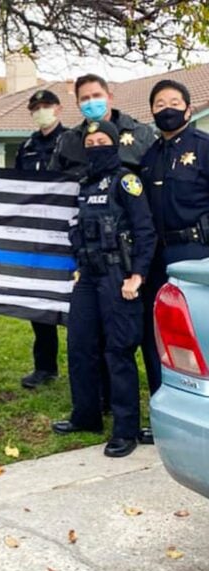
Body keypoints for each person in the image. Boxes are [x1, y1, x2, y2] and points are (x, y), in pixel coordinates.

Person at [52, 121, 156, 458]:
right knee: (79, 345)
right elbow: (81, 232)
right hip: (89, 276)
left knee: (118, 351)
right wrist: (80, 269)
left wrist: (137, 276)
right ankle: (86, 416)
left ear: (114, 145)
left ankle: (125, 430)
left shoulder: (126, 181)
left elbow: (145, 232)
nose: (96, 145)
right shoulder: (85, 185)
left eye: (102, 141)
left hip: (118, 276)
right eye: (91, 141)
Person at [139, 79, 209, 424]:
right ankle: (163, 405)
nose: (167, 108)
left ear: (188, 107)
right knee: (158, 333)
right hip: (156, 257)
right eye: (159, 103)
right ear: (151, 111)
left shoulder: (204, 147)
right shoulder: (149, 156)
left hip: (196, 252)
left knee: (200, 329)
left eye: (173, 101)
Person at [15, 89, 68, 389]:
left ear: (58, 109)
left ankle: (84, 364)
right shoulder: (26, 147)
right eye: (36, 108)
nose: (41, 111)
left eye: (46, 106)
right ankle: (45, 367)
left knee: (76, 301)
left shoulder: (73, 141)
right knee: (39, 301)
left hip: (66, 233)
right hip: (35, 235)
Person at [50, 73, 156, 177]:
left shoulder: (141, 133)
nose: (91, 101)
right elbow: (53, 183)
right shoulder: (68, 140)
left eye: (97, 96)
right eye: (85, 98)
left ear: (109, 97)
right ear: (78, 104)